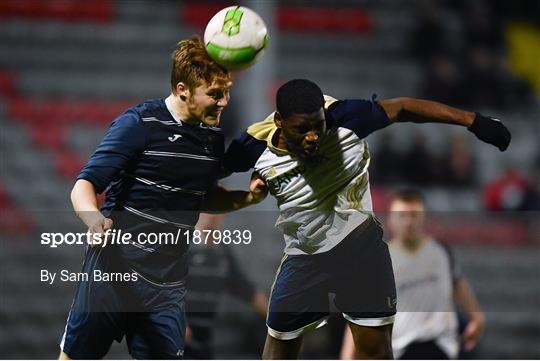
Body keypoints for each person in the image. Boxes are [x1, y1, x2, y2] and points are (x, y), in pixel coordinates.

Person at [222, 79, 510, 359]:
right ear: (280, 123)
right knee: (277, 351)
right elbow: (207, 178)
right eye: (302, 129)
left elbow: (404, 108)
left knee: (376, 352)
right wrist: (244, 197)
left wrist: (474, 121)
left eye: (317, 126)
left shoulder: (348, 118)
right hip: (303, 257)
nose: (312, 136)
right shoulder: (253, 146)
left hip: (359, 249)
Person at [60, 36, 267, 360]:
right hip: (112, 275)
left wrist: (246, 199)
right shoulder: (139, 123)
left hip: (166, 288)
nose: (225, 101)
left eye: (226, 92)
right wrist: (93, 219)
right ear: (183, 89)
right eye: (214, 94)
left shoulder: (212, 139)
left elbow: (202, 197)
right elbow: (83, 185)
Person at [340, 190, 485, 359]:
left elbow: (457, 282)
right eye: (401, 215)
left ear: (424, 218)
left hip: (441, 345)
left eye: (414, 215)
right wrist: (347, 355)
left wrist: (476, 316)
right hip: (401, 348)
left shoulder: (441, 252)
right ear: (390, 221)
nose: (408, 222)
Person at [184, 213, 268, 359]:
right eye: (207, 208)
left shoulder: (222, 252)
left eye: (217, 209)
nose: (211, 215)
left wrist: (282, 324)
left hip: (202, 343)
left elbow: (247, 290)